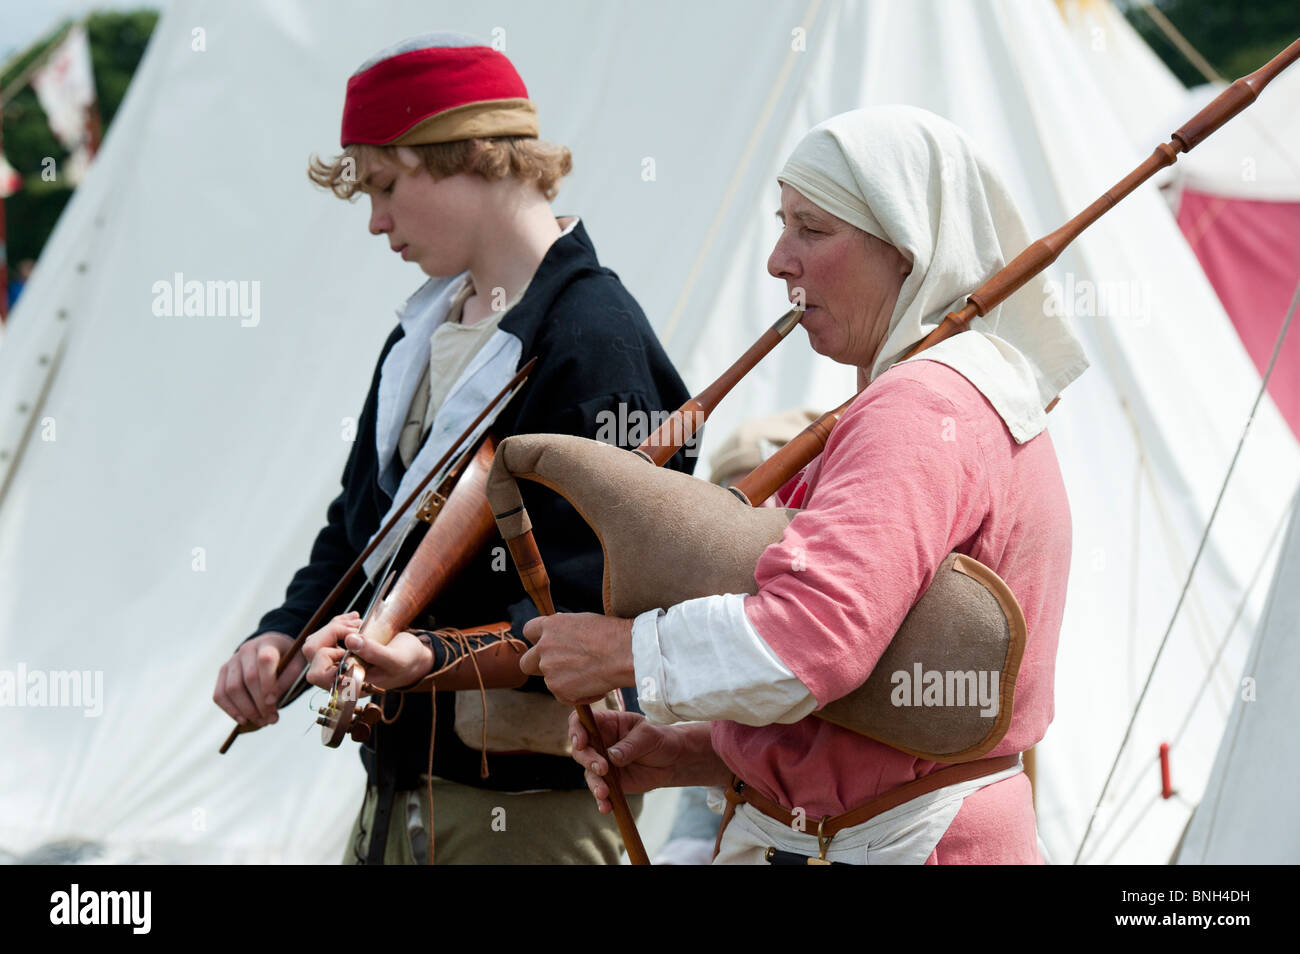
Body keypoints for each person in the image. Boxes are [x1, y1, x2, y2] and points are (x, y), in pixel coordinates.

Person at [518, 105, 1090, 864]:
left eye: (812, 230)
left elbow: (812, 641)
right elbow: (885, 687)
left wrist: (627, 651)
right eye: (782, 225)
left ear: (906, 249)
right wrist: (700, 754)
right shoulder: (955, 392)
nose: (778, 261)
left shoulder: (922, 407)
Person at [211, 32, 693, 864]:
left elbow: (603, 599)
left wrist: (429, 656)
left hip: (525, 810)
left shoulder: (595, 338)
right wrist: (283, 638)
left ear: (469, 155)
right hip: (398, 791)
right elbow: (362, 526)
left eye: (386, 185)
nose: (377, 221)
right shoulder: (423, 330)